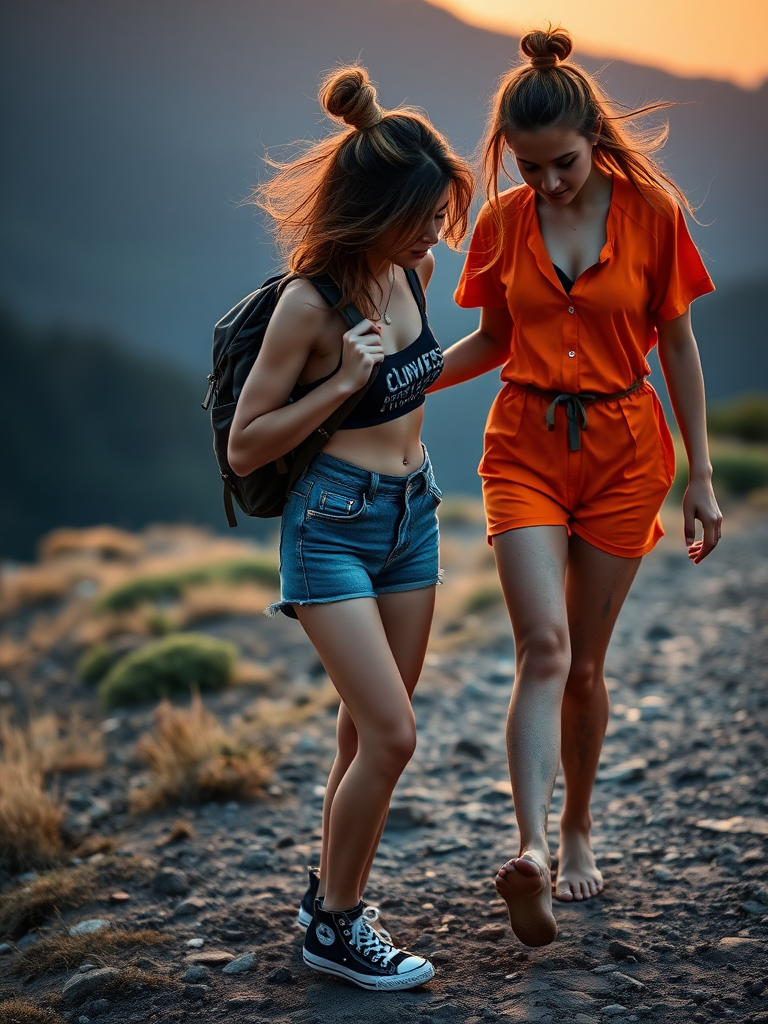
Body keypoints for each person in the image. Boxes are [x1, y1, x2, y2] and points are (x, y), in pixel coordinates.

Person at [430, 27, 722, 947]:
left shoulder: (652, 213)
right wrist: (397, 378)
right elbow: (489, 341)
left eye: (558, 164)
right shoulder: (503, 224)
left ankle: (577, 823)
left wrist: (702, 476)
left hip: (628, 452)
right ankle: (531, 856)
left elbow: (676, 344)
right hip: (522, 443)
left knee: (586, 668)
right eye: (526, 167)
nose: (545, 184)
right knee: (542, 647)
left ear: (594, 137)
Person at [227, 65, 473, 988]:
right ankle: (336, 925)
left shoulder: (414, 268)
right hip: (329, 524)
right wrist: (337, 384)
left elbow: (421, 374)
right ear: (372, 210)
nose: (435, 231)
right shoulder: (309, 304)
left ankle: (331, 897)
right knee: (394, 737)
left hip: (413, 515)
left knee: (360, 736)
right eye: (422, 215)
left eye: (440, 212)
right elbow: (247, 447)